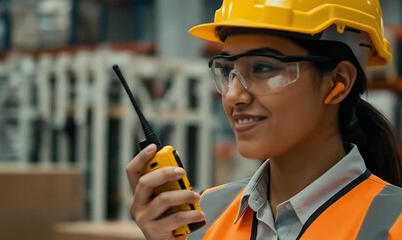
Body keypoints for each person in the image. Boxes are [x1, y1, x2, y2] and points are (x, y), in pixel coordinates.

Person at [126, 0, 402, 239]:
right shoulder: (204, 215)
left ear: (338, 82)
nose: (234, 96)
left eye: (264, 67)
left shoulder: (394, 223)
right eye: (228, 70)